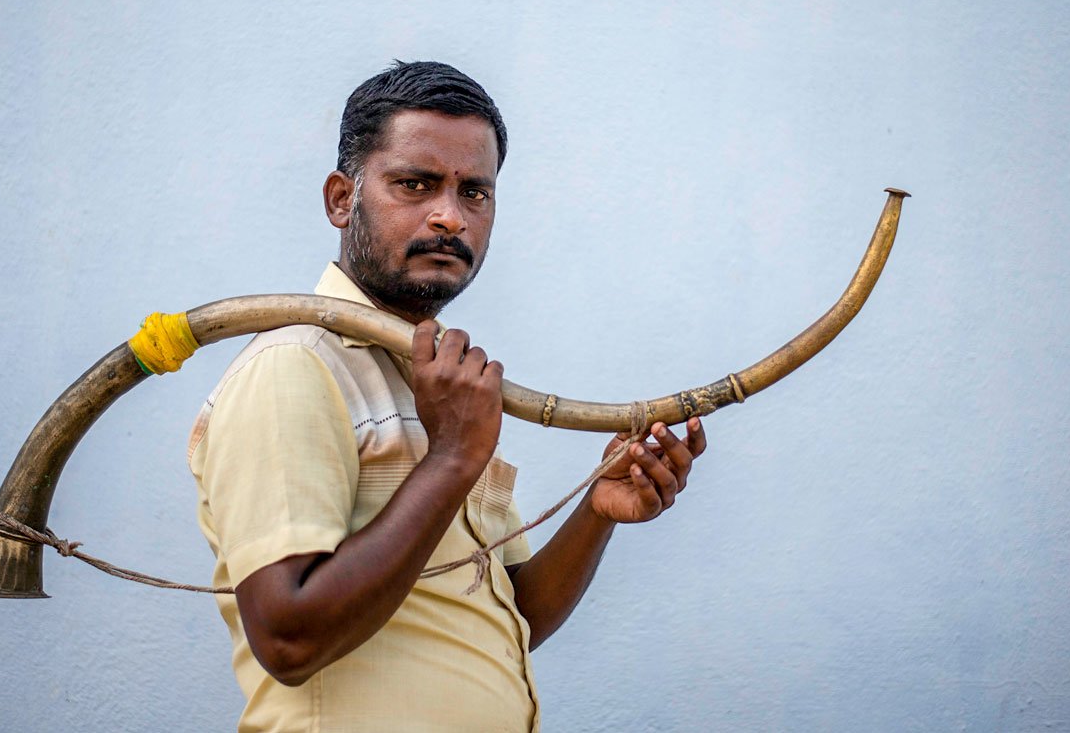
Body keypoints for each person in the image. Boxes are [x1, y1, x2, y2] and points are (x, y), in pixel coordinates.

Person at [188, 61, 707, 732]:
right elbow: (290, 638)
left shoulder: (437, 383)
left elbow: (509, 613)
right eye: (415, 183)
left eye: (475, 192)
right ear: (342, 199)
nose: (450, 216)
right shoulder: (296, 365)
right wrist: (454, 454)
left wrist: (598, 508)